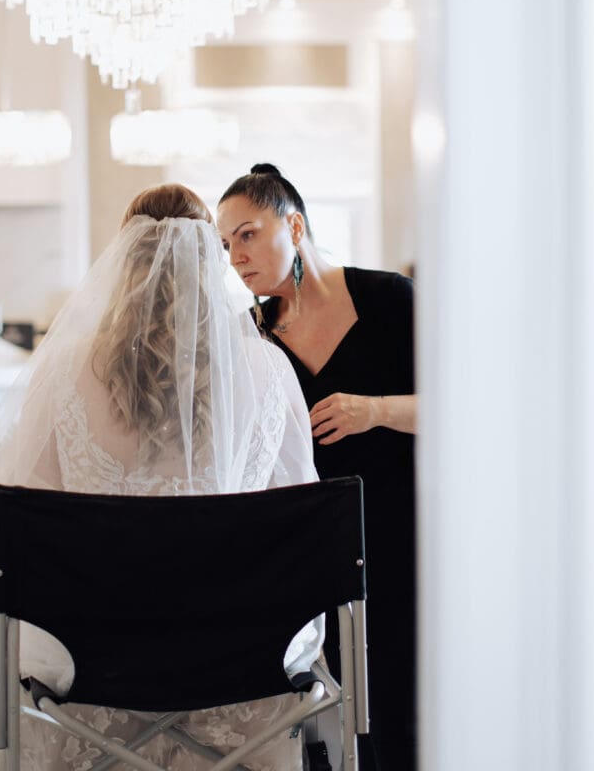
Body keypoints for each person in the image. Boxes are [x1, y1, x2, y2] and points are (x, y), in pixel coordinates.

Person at [0, 183, 322, 771]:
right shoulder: (268, 368)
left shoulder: (66, 369)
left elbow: (23, 518)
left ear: (124, 262)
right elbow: (300, 514)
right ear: (208, 261)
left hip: (91, 654)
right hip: (238, 652)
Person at [217, 164, 417, 771]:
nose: (236, 257)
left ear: (295, 226)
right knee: (336, 717)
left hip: (405, 534)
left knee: (404, 703)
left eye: (247, 235)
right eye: (226, 245)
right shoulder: (251, 336)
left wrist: (374, 410)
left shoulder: (390, 299)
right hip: (314, 551)